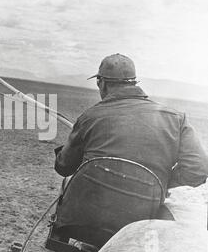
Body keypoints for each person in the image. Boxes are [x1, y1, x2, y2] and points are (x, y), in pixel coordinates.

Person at [54, 53, 208, 193]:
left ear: (102, 83)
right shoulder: (177, 119)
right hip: (148, 207)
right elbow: (198, 170)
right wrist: (160, 184)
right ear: (134, 82)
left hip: (93, 209)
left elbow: (63, 167)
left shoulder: (89, 117)